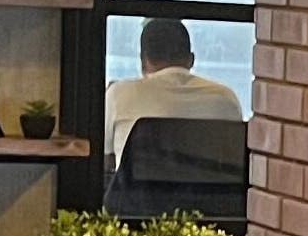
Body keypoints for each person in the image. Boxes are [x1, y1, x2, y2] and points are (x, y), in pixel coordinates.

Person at [104, 16, 243, 166]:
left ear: (143, 61)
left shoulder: (119, 94)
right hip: (208, 190)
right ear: (191, 60)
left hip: (140, 189)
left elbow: (104, 156)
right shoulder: (226, 98)